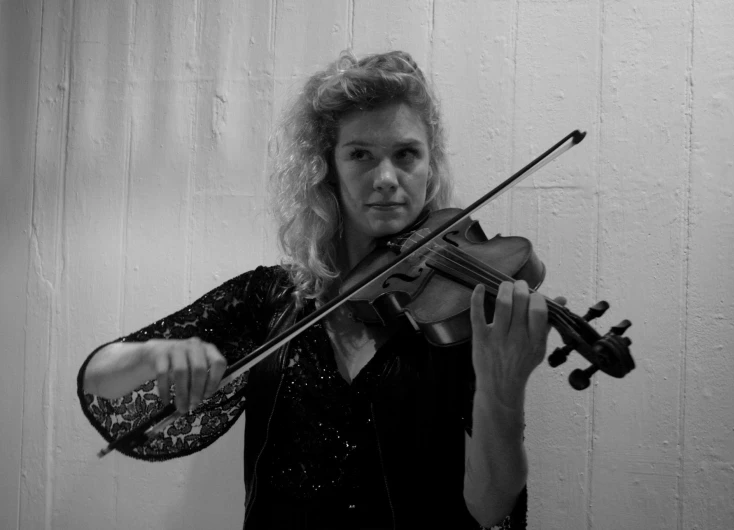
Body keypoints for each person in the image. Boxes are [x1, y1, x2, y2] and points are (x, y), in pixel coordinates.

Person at [78, 50, 556, 530]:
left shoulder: (464, 313)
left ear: (430, 166)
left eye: (406, 154)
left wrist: (503, 388)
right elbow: (101, 378)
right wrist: (155, 357)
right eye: (360, 154)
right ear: (328, 168)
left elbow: (490, 508)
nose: (387, 179)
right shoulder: (272, 297)